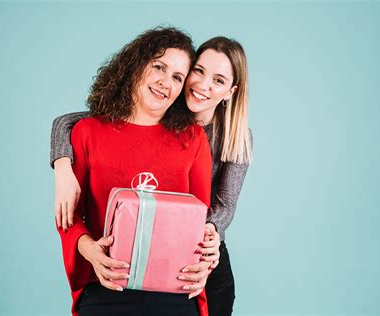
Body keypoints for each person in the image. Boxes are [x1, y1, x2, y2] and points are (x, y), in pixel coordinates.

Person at [51, 36, 252, 316]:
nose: (203, 85)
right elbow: (72, 123)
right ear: (136, 65)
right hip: (109, 285)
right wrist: (61, 163)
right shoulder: (88, 130)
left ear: (231, 91)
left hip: (188, 271)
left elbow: (214, 209)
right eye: (159, 67)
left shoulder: (204, 139)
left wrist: (210, 242)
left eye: (177, 76)